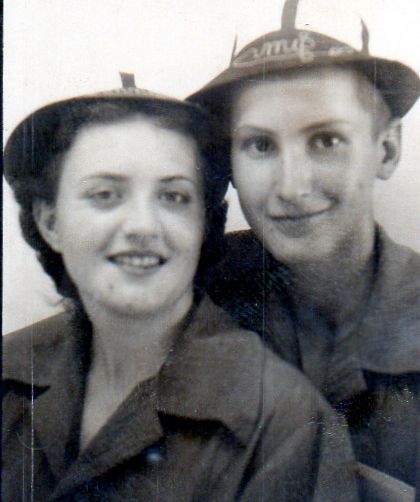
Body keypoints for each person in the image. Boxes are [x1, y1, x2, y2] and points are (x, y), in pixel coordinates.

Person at [2, 76, 358, 500]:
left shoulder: (281, 421)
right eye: (105, 194)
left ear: (203, 225)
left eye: (173, 197)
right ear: (50, 223)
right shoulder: (10, 369)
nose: (143, 226)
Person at [190, 0, 420, 499]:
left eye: (326, 141)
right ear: (228, 162)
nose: (291, 187)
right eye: (260, 146)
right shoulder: (186, 297)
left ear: (386, 150)